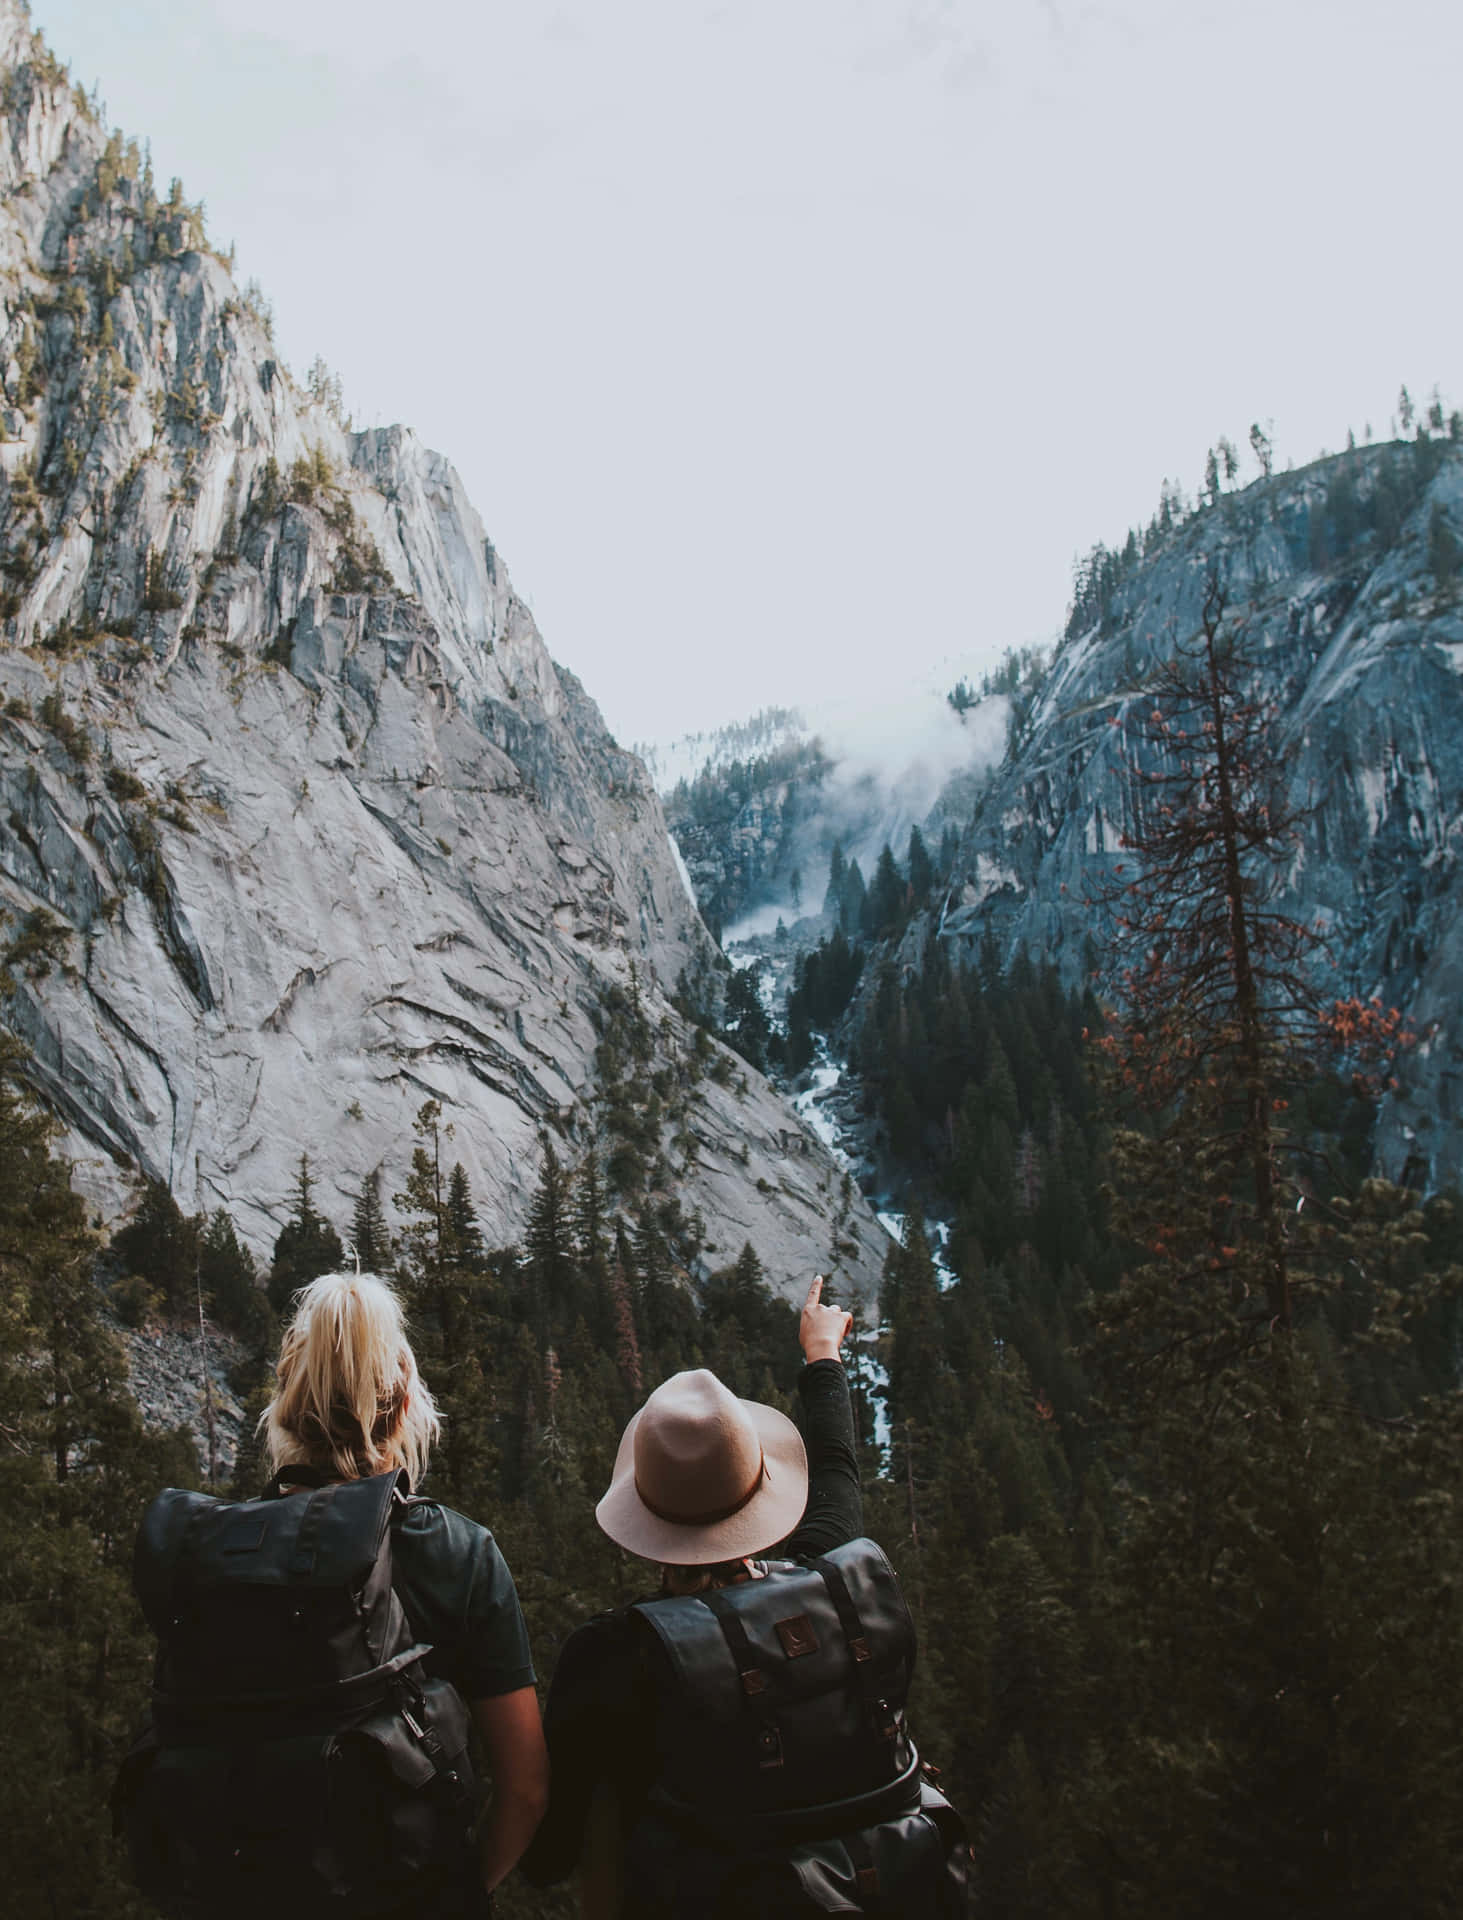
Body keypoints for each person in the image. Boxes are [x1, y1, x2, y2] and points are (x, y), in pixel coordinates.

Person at [521, 1274, 962, 1917]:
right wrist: (823, 1354)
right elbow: (838, 1471)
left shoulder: (616, 1656)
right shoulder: (832, 1588)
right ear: (761, 1492)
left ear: (646, 1525)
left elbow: (550, 1852)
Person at [121, 1270, 548, 1917]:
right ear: (404, 1404)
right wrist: (459, 1893)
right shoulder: (457, 1551)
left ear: (284, 1406)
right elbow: (525, 1789)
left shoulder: (218, 1556)